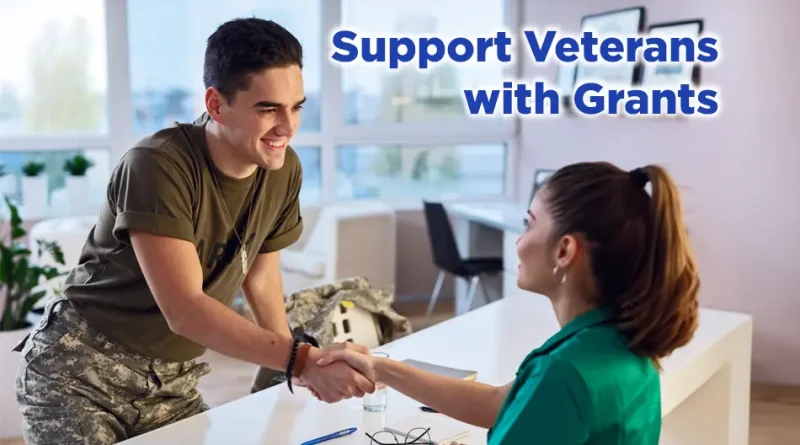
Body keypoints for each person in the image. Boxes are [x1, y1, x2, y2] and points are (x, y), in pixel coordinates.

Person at [14, 18, 374, 445]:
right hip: (79, 372)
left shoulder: (282, 169)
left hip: (171, 383)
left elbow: (260, 277)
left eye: (296, 106)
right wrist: (303, 361)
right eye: (268, 108)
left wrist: (291, 367)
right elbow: (184, 309)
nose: (288, 126)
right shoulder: (157, 165)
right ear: (217, 105)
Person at [317, 162, 701, 444]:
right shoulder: (622, 344)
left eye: (529, 224)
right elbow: (505, 403)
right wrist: (381, 368)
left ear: (565, 250)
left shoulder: (563, 373)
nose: (520, 241)